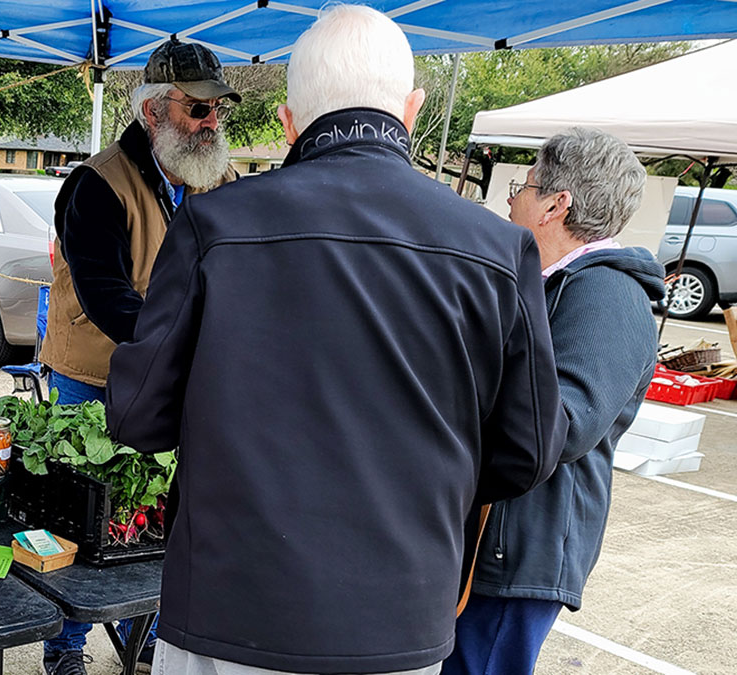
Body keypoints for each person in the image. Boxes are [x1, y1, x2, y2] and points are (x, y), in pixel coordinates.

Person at [105, 5, 568, 674]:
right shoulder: (497, 248)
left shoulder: (215, 224)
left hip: (229, 609)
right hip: (400, 618)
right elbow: (527, 451)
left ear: (290, 122)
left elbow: (136, 414)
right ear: (411, 110)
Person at [37, 38, 241, 675]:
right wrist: (183, 345)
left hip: (171, 378)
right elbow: (106, 298)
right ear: (152, 111)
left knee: (151, 517)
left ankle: (142, 637)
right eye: (196, 111)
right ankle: (64, 650)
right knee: (78, 519)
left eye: (216, 112)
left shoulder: (219, 183)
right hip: (93, 377)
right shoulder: (96, 184)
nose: (211, 124)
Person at [444, 128, 664, 675]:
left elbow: (564, 424)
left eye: (526, 186)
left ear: (556, 205)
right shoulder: (554, 283)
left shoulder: (606, 295)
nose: (514, 198)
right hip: (492, 542)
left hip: (519, 551)